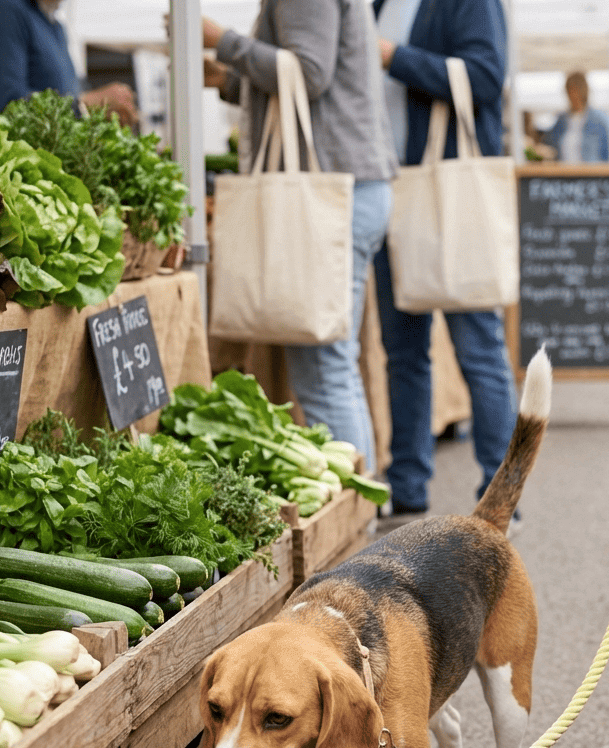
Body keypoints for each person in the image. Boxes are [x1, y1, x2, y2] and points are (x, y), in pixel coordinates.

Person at [203, 0, 398, 473]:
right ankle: (365, 508)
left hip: (333, 188)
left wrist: (220, 40)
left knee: (325, 373)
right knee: (334, 367)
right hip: (351, 186)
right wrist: (230, 80)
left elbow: (308, 74)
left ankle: (358, 516)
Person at [373, 0, 518, 520]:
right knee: (403, 354)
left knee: (478, 349)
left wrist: (393, 55)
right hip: (393, 195)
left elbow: (483, 77)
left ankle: (502, 498)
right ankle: (407, 488)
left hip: (449, 197)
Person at [0, 0, 138, 125]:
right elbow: (7, 103)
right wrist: (84, 105)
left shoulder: (53, 24)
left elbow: (71, 89)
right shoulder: (1, 9)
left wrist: (105, 103)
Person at [543, 71, 609, 164]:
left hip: (591, 175)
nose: (573, 94)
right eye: (570, 90)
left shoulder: (600, 120)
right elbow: (548, 144)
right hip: (564, 174)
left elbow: (608, 156)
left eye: (575, 90)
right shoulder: (561, 120)